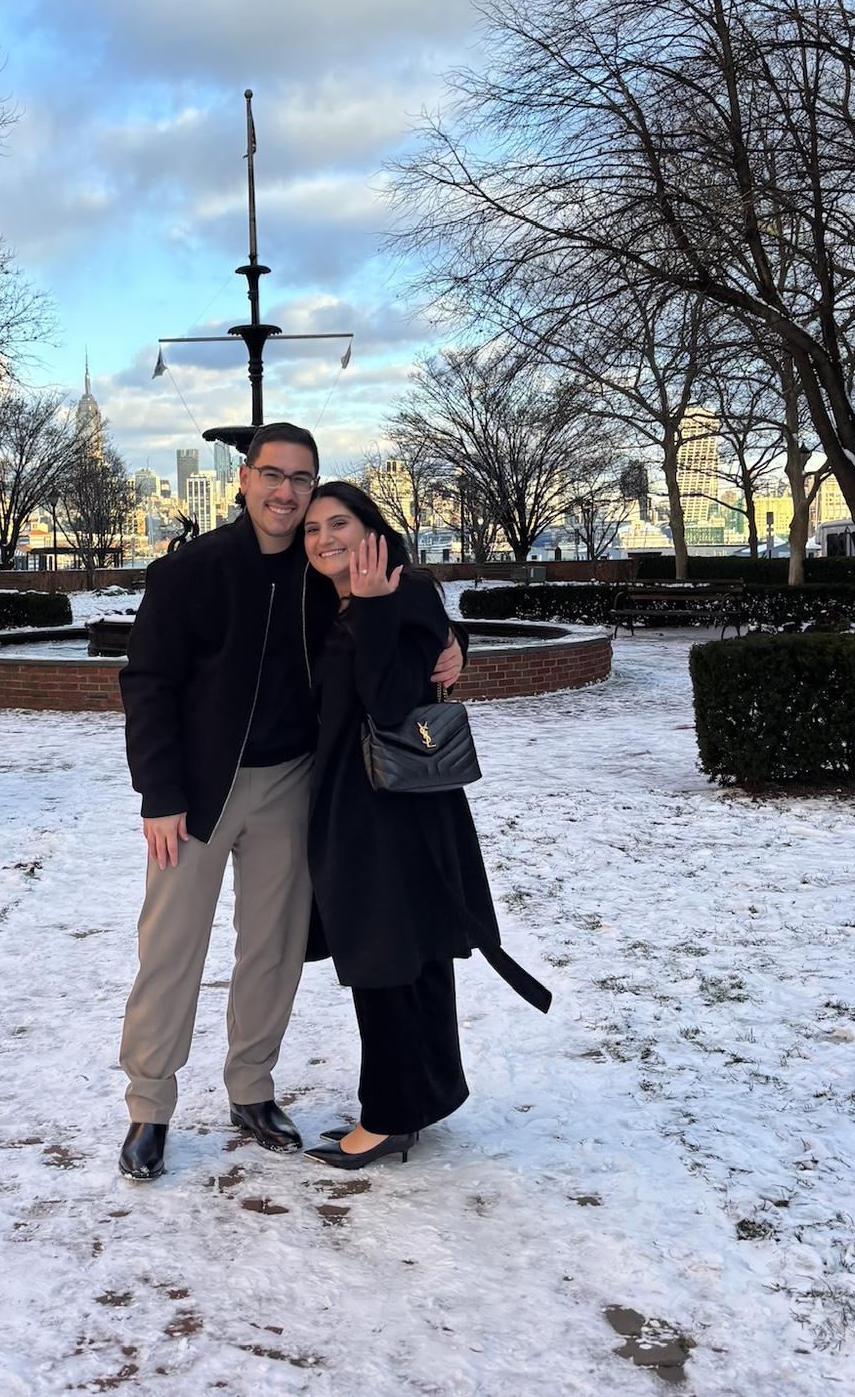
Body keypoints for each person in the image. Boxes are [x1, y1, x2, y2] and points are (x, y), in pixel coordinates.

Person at [116, 426, 463, 1180]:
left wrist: (449, 639)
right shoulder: (191, 572)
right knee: (170, 949)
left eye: (301, 479)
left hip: (294, 785)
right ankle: (150, 1106)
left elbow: (400, 595)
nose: (285, 492)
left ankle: (252, 1089)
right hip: (199, 795)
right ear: (242, 479)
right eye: (271, 475)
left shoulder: (323, 566)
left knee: (271, 950)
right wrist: (160, 792)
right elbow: (146, 684)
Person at [297, 481, 550, 1171]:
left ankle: (389, 1117)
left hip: (390, 809)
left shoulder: (396, 592)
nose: (325, 539)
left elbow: (388, 698)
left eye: (339, 523)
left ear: (373, 529)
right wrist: (447, 637)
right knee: (406, 956)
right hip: (359, 803)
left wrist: (385, 610)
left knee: (385, 957)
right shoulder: (334, 598)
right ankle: (426, 1094)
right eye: (313, 529)